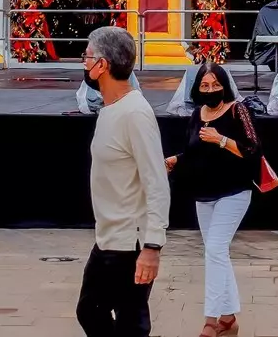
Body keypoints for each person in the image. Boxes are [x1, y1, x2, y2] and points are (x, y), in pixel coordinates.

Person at [76, 25, 168, 337]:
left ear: (103, 65)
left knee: (130, 322)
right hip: (108, 238)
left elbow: (156, 182)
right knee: (90, 311)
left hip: (131, 243)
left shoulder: (135, 113)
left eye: (87, 56)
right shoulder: (110, 109)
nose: (84, 63)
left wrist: (152, 246)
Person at [162, 63, 256, 337]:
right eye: (205, 85)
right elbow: (193, 153)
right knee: (217, 253)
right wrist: (175, 160)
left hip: (234, 192)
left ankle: (210, 321)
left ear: (225, 85)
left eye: (216, 84)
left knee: (215, 249)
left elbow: (253, 150)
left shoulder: (239, 111)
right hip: (203, 195)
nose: (211, 89)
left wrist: (221, 139)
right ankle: (228, 318)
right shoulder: (196, 114)